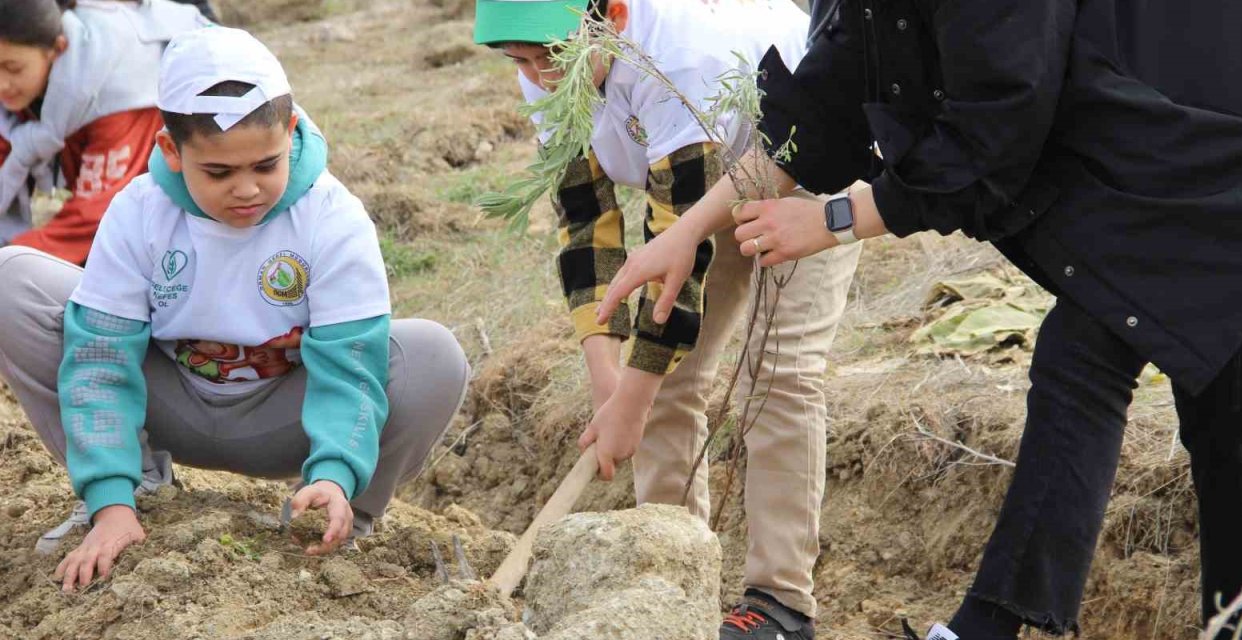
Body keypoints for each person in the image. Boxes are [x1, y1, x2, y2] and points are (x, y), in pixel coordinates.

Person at [597, 0, 1242, 638]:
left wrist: (836, 219)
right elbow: (821, 109)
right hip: (1198, 148)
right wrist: (688, 231)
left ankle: (988, 625)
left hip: (1221, 140)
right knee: (1221, 417)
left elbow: (994, 136)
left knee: (1093, 361)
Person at [0, 26, 471, 592]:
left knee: (434, 355)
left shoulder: (332, 216)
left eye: (265, 166)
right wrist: (109, 504)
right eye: (219, 173)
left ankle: (340, 515)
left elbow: (351, 366)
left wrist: (336, 471)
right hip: (169, 402)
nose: (247, 190)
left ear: (290, 132)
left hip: (286, 417)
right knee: (14, 282)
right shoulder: (140, 211)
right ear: (172, 152)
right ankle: (133, 489)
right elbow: (99, 359)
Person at [474, 1, 860, 637]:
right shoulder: (543, 62)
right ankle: (668, 579)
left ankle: (779, 603)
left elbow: (680, 254)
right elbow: (585, 226)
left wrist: (631, 401)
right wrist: (606, 373)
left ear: (615, 16)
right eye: (523, 61)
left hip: (806, 172)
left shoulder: (680, 58)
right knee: (663, 380)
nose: (542, 76)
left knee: (777, 374)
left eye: (555, 58)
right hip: (698, 198)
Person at [0, 0, 209, 264]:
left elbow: (94, 218)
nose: (2, 84)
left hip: (201, 190)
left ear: (57, 49)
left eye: (13, 69)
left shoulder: (116, 91)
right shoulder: (26, 73)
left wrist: (12, 260)